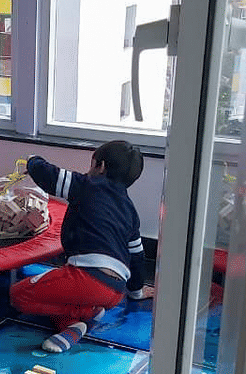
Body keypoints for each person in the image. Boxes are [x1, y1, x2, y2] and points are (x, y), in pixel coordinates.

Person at [9, 140, 155, 353]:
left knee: (19, 294)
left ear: (100, 167)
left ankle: (86, 312)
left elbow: (50, 176)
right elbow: (137, 257)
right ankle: (73, 326)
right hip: (115, 291)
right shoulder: (131, 211)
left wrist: (32, 161)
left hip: (86, 279)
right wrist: (136, 292)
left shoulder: (87, 185)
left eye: (91, 164)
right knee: (63, 297)